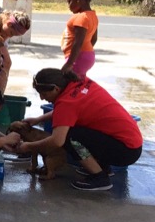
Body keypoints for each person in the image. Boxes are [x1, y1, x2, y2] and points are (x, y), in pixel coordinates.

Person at [9, 68, 142, 191]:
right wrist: (39, 119)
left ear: (55, 89)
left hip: (124, 151)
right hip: (130, 143)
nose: (42, 98)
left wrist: (28, 146)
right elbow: (71, 111)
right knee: (77, 128)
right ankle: (102, 167)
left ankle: (100, 177)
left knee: (70, 137)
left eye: (43, 94)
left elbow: (57, 141)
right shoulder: (81, 82)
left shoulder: (66, 103)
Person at [61, 0, 98, 77]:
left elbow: (78, 43)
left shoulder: (82, 17)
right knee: (78, 83)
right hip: (86, 55)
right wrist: (86, 53)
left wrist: (69, 64)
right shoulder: (92, 16)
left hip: (77, 58)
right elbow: (94, 39)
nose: (68, 5)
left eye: (69, 1)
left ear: (78, 0)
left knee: (66, 84)